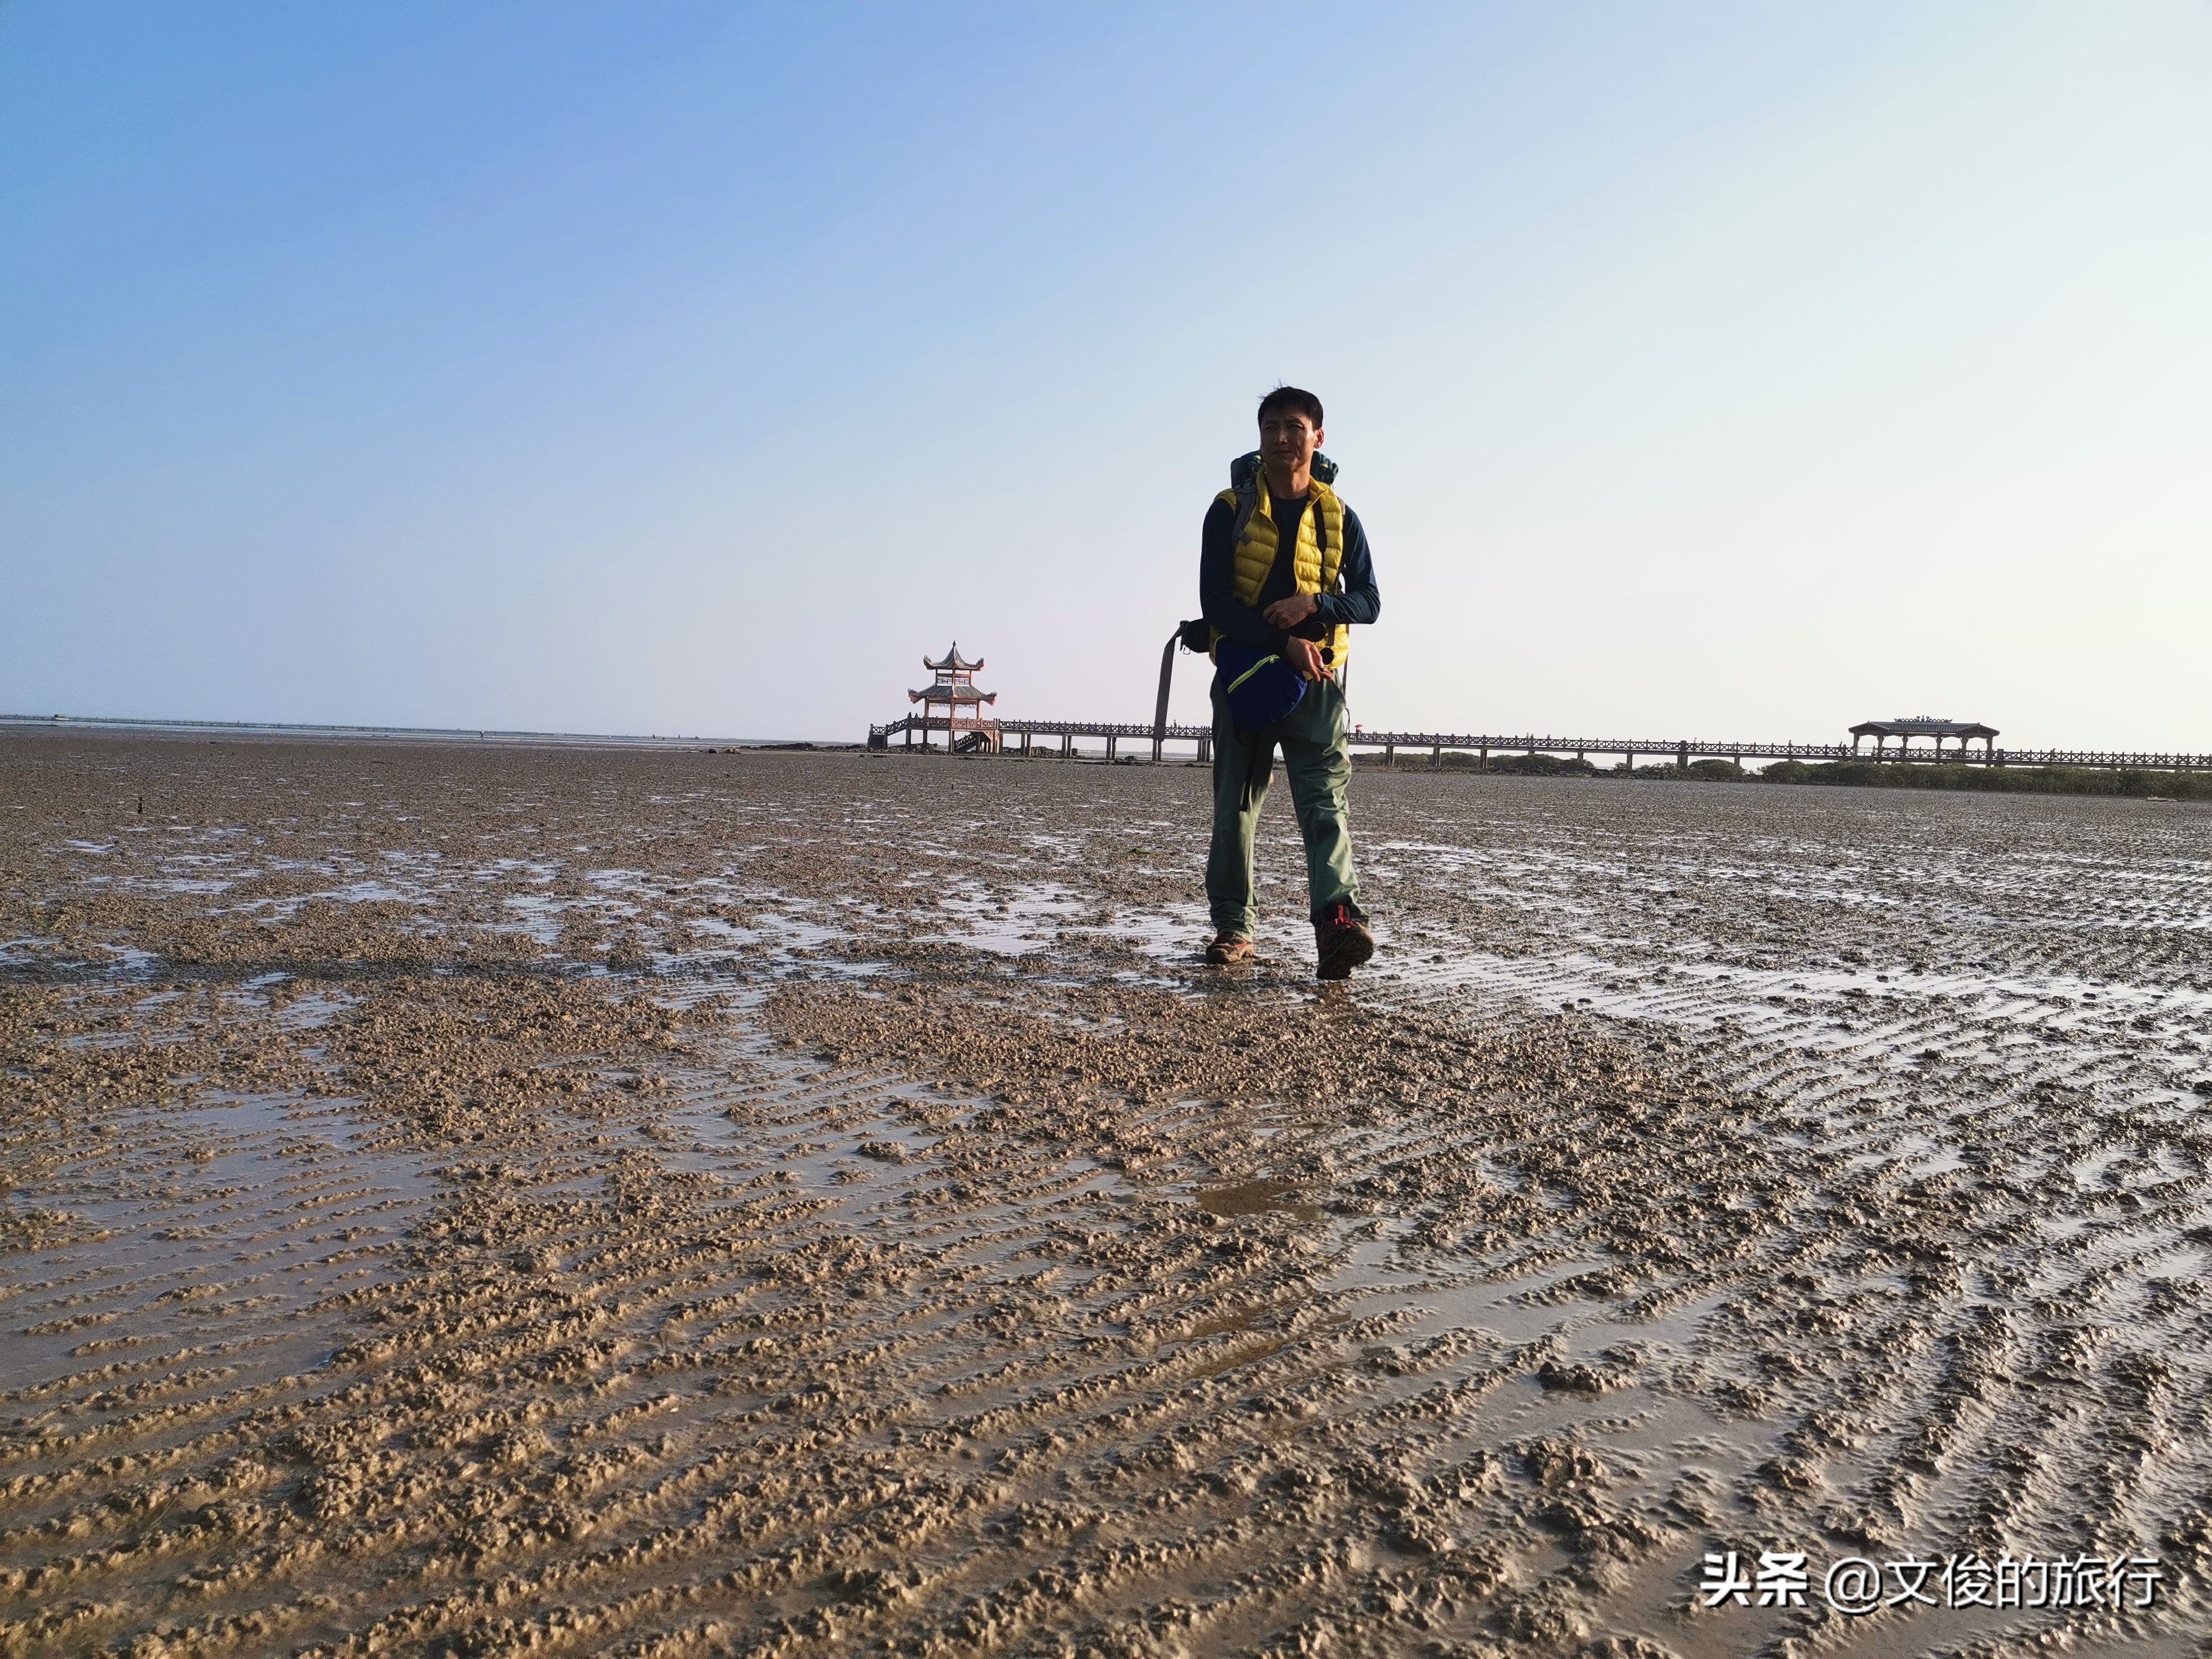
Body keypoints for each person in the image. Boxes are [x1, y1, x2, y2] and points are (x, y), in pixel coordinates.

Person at [1197, 385, 1381, 979]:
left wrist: (1315, 603)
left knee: (1325, 806)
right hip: (1246, 678)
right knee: (1236, 806)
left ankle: (1337, 926)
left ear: (1317, 438)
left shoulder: (1339, 515)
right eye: (1271, 426)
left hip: (1318, 683)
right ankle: (1233, 927)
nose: (1282, 437)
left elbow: (1370, 601)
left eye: (1294, 427)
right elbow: (1215, 603)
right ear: (1259, 437)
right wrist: (1282, 642)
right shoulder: (1228, 509)